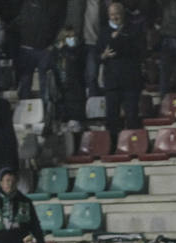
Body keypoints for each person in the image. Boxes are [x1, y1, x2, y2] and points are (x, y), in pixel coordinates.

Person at [98, 2, 143, 143]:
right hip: (112, 81)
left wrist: (120, 38)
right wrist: (103, 55)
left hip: (131, 79)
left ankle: (133, 145)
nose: (115, 17)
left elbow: (141, 52)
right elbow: (97, 55)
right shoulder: (103, 32)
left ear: (123, 14)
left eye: (117, 13)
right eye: (112, 14)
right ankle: (112, 146)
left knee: (132, 116)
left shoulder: (134, 30)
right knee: (112, 118)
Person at [51, 26, 90, 132]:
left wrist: (67, 50)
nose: (71, 39)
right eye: (68, 36)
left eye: (73, 36)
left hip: (77, 86)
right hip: (61, 86)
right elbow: (54, 66)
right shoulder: (56, 51)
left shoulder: (80, 49)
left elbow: (78, 62)